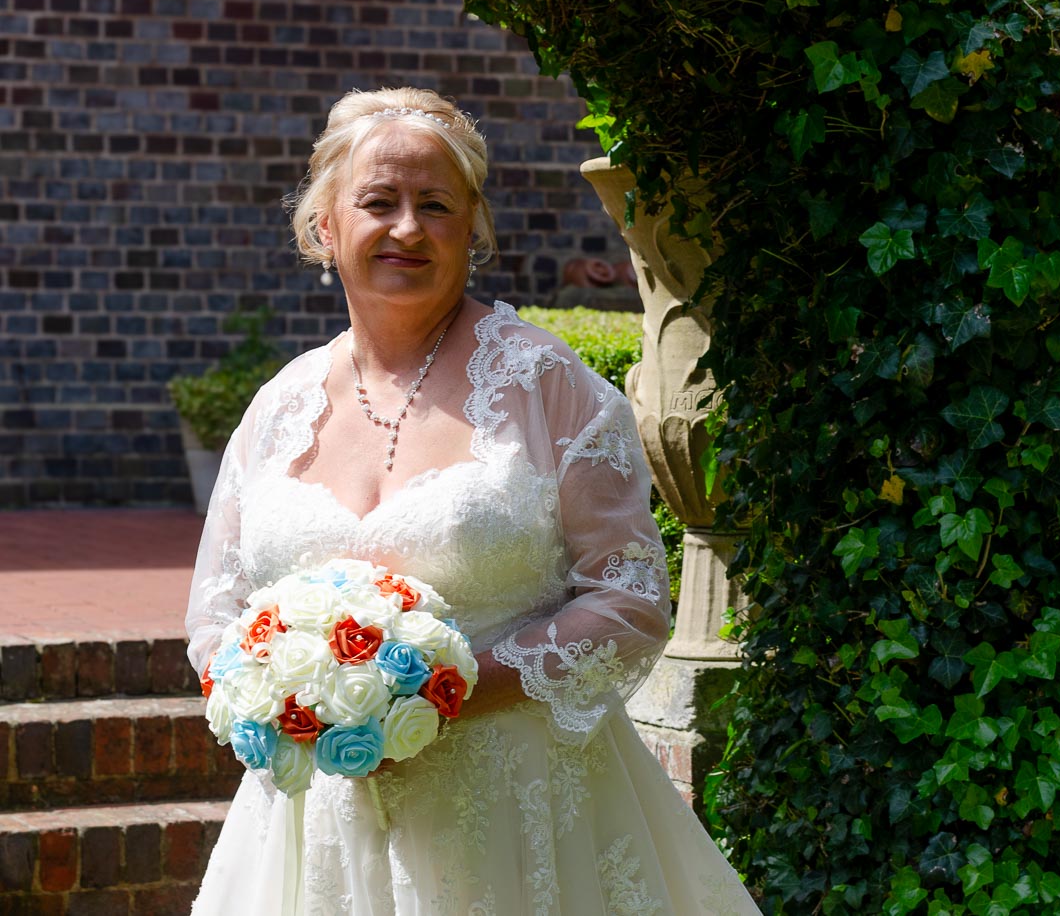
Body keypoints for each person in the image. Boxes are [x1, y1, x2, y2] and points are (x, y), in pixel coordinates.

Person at [184, 87, 759, 914]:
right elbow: (215, 618)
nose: (408, 228)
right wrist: (282, 698)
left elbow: (630, 600)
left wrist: (438, 691)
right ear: (323, 228)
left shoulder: (548, 386)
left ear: (473, 228)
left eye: (437, 206)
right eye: (378, 202)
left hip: (517, 820)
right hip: (315, 830)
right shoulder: (279, 406)